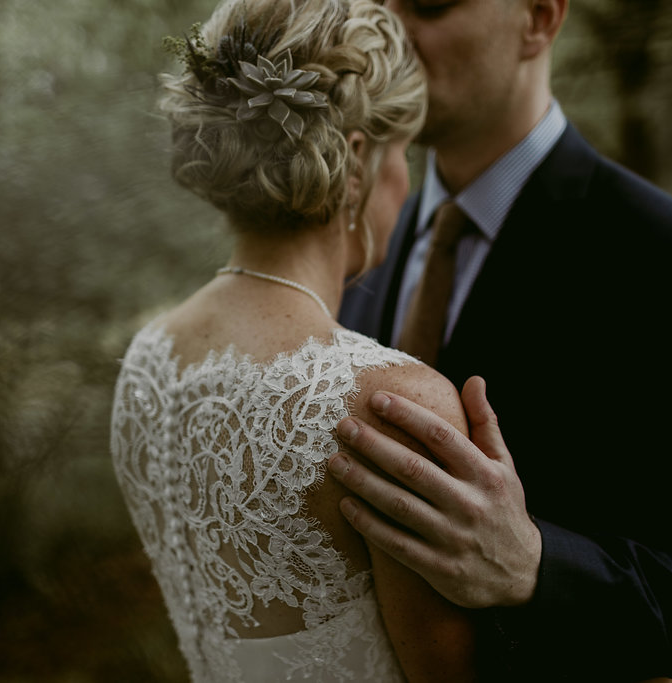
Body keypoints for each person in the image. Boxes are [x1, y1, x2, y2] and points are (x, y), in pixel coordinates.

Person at [332, 0, 672, 681]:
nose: (388, 32)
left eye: (427, 4)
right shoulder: (353, 246)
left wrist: (536, 566)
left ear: (540, 18)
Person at [110, 1, 478, 681]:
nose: (409, 184)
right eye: (404, 154)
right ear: (359, 161)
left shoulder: (148, 358)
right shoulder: (391, 401)